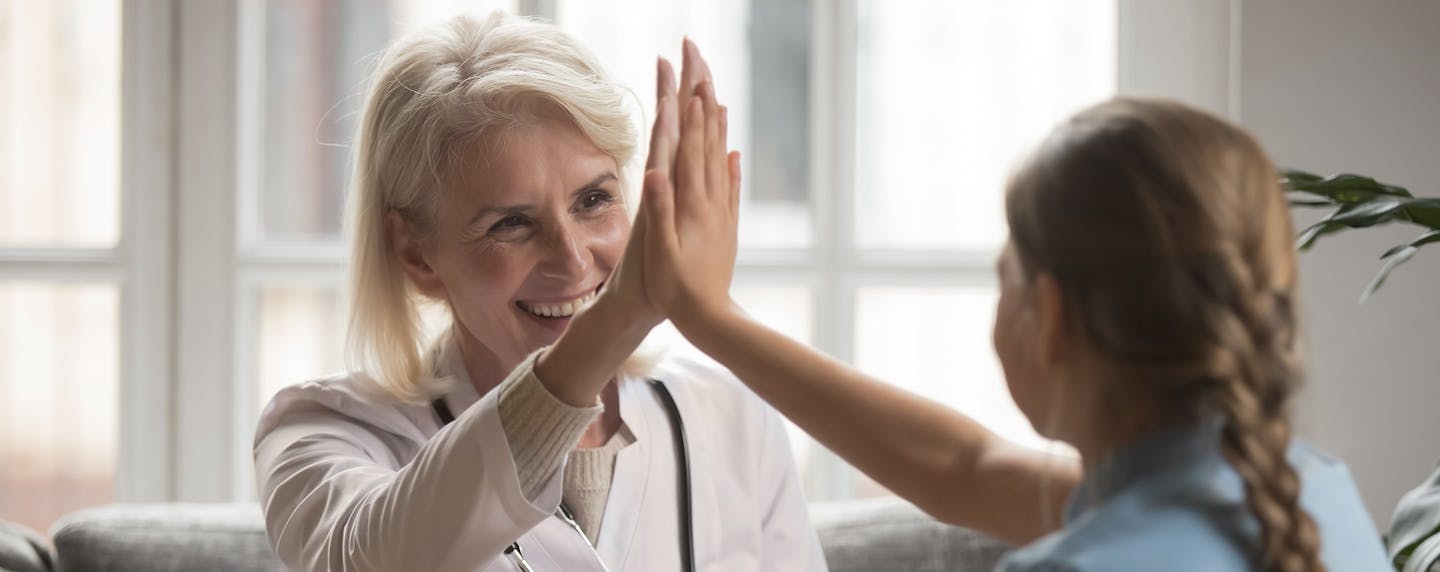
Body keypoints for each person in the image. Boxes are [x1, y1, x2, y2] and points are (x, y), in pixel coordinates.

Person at [635, 97, 1390, 570]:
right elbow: (967, 467)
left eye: (1004, 276)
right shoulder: (1311, 492)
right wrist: (710, 317)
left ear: (1050, 315)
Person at [252, 11, 825, 571]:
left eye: (594, 200)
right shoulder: (325, 433)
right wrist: (618, 316)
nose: (573, 260)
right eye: (511, 224)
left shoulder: (732, 414)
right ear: (415, 253)